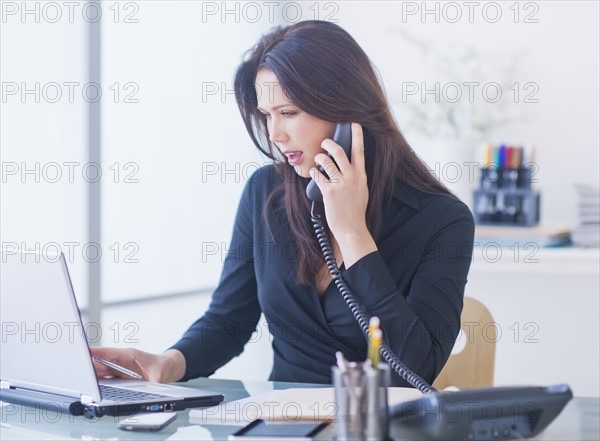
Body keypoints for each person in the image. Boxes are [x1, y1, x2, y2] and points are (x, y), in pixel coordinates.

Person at [91, 20, 475, 388]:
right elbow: (229, 320)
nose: (276, 134)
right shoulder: (265, 192)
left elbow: (418, 368)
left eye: (289, 113)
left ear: (347, 108)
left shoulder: (443, 220)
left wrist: (352, 233)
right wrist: (166, 363)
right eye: (267, 115)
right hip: (282, 423)